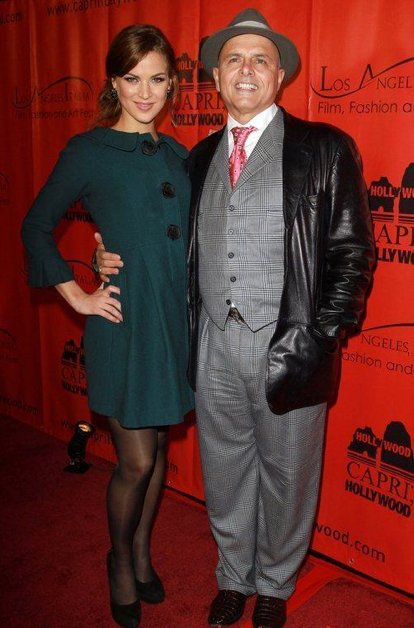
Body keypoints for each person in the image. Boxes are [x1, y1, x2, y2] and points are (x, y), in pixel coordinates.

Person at [95, 9, 375, 628]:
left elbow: (353, 257)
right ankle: (234, 576)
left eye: (259, 59)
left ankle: (274, 584)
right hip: (213, 347)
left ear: (279, 75)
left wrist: (319, 338)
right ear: (216, 78)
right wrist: (102, 246)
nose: (245, 70)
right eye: (232, 59)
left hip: (290, 345)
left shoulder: (324, 149)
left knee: (289, 475)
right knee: (224, 471)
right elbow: (156, 233)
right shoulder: (193, 160)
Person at [21, 24, 193, 628]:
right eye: (131, 78)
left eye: (156, 78)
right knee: (136, 461)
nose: (144, 92)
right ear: (113, 82)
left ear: (172, 84)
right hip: (122, 323)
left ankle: (143, 551)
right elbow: (35, 226)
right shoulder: (87, 151)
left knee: (161, 449)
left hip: (173, 322)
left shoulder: (180, 156)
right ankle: (119, 559)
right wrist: (80, 295)